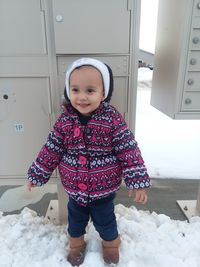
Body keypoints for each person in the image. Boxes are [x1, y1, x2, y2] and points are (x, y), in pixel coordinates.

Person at [27, 58, 150, 266]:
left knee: (106, 221)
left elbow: (128, 149)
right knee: (75, 222)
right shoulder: (65, 121)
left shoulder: (112, 119)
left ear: (103, 94)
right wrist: (37, 175)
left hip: (104, 188)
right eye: (75, 90)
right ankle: (76, 246)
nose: (82, 97)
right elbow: (51, 149)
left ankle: (111, 245)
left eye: (90, 91)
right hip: (74, 189)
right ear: (68, 92)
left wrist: (136, 180)